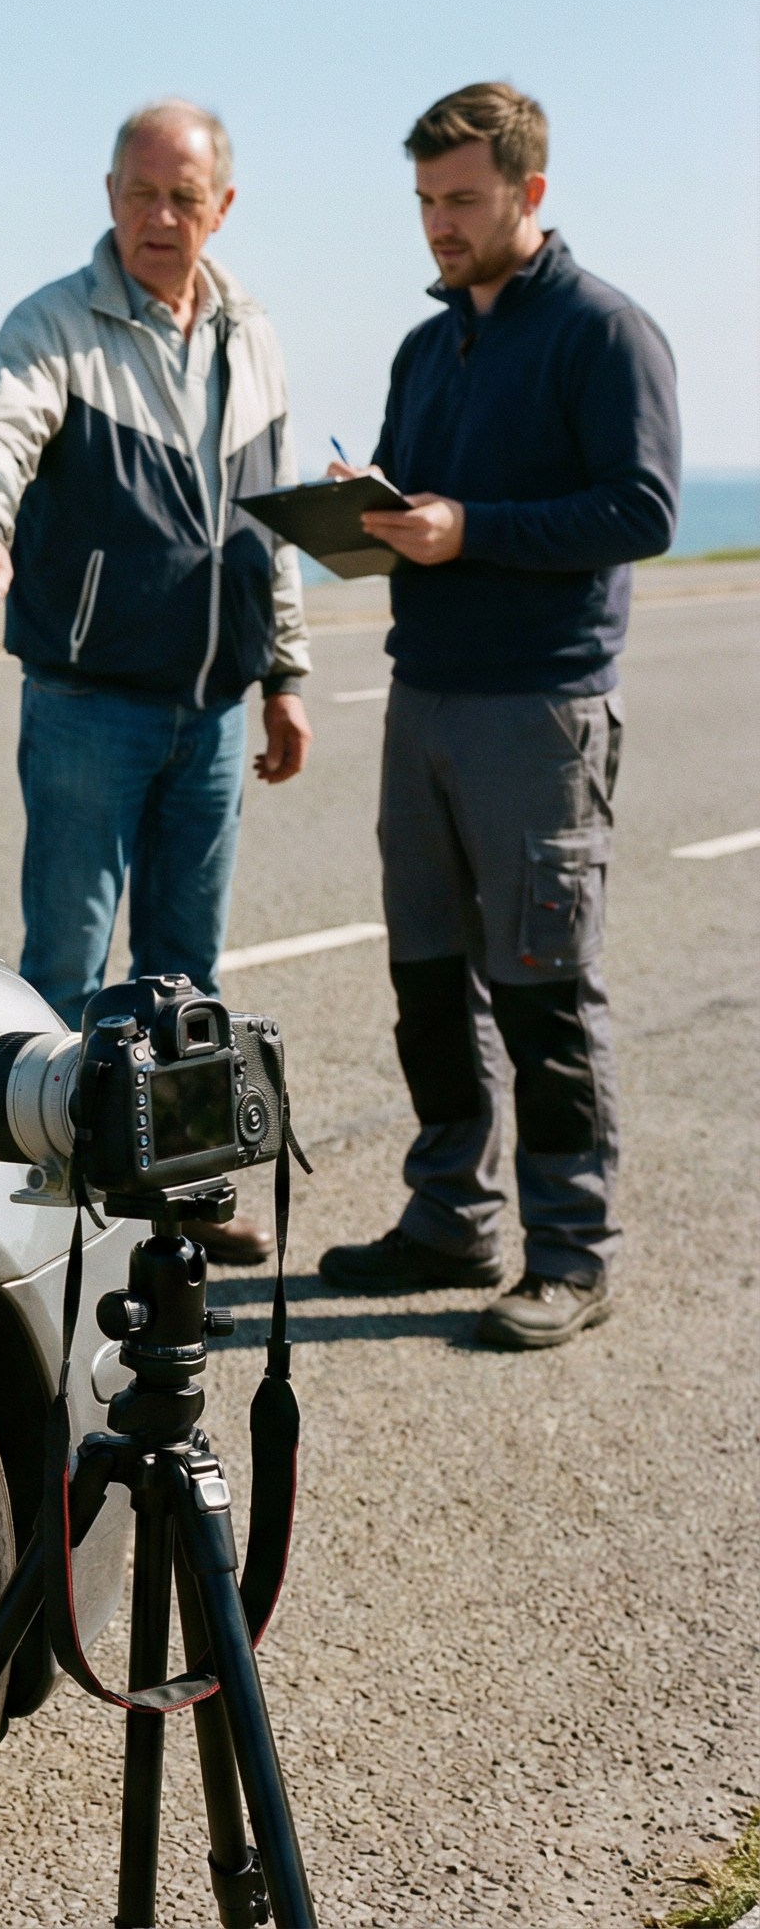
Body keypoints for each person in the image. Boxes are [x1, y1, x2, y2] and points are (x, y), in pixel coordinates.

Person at [317, 81, 679, 1349]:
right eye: (422, 202)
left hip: (538, 709)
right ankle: (446, 1218)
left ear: (529, 191)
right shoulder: (425, 347)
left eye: (460, 200)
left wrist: (465, 527)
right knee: (426, 983)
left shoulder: (602, 331)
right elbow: (421, 513)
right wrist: (368, 508)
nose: (436, 225)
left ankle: (570, 1253)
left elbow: (640, 511)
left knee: (540, 988)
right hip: (422, 696)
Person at [0, 99, 312, 1265]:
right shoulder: (54, 324)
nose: (158, 216)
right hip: (88, 700)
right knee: (62, 964)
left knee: (183, 973)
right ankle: (34, 1204)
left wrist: (287, 670)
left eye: (182, 197)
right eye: (138, 192)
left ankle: (178, 1185)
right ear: (108, 196)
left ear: (220, 208)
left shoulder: (251, 334)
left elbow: (272, 519)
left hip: (210, 710)